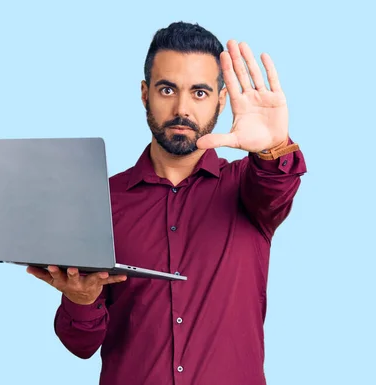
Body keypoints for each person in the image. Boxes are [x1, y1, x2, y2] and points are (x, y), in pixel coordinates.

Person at [26, 21, 307, 385]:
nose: (181, 108)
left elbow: (276, 185)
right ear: (145, 94)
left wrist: (272, 145)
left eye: (200, 92)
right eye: (167, 89)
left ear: (221, 100)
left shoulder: (247, 188)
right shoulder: (99, 202)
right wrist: (82, 298)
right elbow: (80, 345)